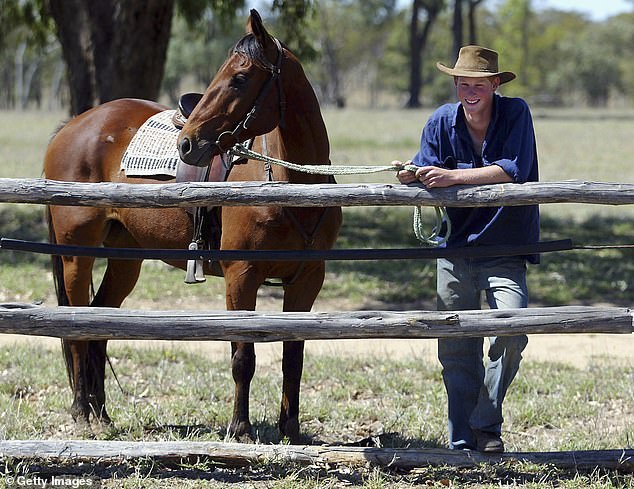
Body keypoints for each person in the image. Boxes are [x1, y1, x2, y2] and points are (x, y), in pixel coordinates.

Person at [393, 45, 540, 453]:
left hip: (506, 245)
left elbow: (512, 170)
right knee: (455, 347)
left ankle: (484, 423)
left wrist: (451, 177)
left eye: (479, 83)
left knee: (512, 330)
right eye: (463, 83)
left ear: (495, 84)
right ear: (455, 83)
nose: (470, 90)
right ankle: (463, 442)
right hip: (455, 247)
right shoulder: (441, 120)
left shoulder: (516, 113)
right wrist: (412, 174)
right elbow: (427, 165)